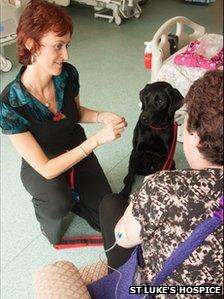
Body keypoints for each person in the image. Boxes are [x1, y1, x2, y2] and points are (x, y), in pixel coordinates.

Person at [33, 71, 223, 298]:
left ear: (196, 137)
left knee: (110, 206)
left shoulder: (162, 188)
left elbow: (124, 237)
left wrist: (143, 200)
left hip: (154, 288)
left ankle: (118, 279)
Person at [0, 0, 127, 246]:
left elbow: (75, 113)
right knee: (58, 205)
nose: (66, 55)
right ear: (31, 45)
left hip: (75, 145)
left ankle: (77, 196)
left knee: (108, 218)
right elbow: (46, 168)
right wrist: (98, 139)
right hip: (43, 160)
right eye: (58, 46)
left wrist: (102, 116)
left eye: (67, 45)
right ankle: (55, 208)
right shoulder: (9, 104)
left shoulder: (67, 74)